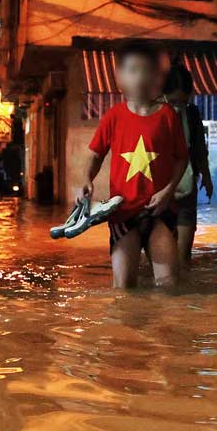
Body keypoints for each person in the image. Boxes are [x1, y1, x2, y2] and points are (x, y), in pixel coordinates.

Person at [79, 41, 188, 288]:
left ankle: (165, 328)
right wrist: (86, 180)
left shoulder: (168, 116)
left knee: (169, 284)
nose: (139, 77)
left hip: (160, 211)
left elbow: (182, 158)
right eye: (132, 70)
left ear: (156, 77)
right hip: (123, 213)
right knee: (123, 288)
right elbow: (95, 155)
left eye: (145, 70)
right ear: (120, 78)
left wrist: (167, 191)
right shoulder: (113, 117)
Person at [164, 62, 213, 267]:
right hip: (160, 191)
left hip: (186, 186)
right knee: (163, 256)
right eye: (173, 101)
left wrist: (207, 176)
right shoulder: (154, 113)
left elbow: (199, 148)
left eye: (183, 102)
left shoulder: (191, 113)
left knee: (183, 257)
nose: (178, 107)